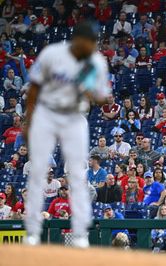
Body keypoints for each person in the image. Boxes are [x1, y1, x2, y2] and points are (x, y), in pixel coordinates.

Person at [23, 21, 111, 248]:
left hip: (74, 117)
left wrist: (88, 88)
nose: (93, 46)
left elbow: (103, 99)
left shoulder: (96, 62)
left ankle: (81, 233)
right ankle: (32, 231)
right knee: (37, 172)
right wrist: (29, 122)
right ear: (77, 40)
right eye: (90, 42)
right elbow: (34, 87)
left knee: (78, 175)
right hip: (46, 113)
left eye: (95, 43)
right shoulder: (53, 53)